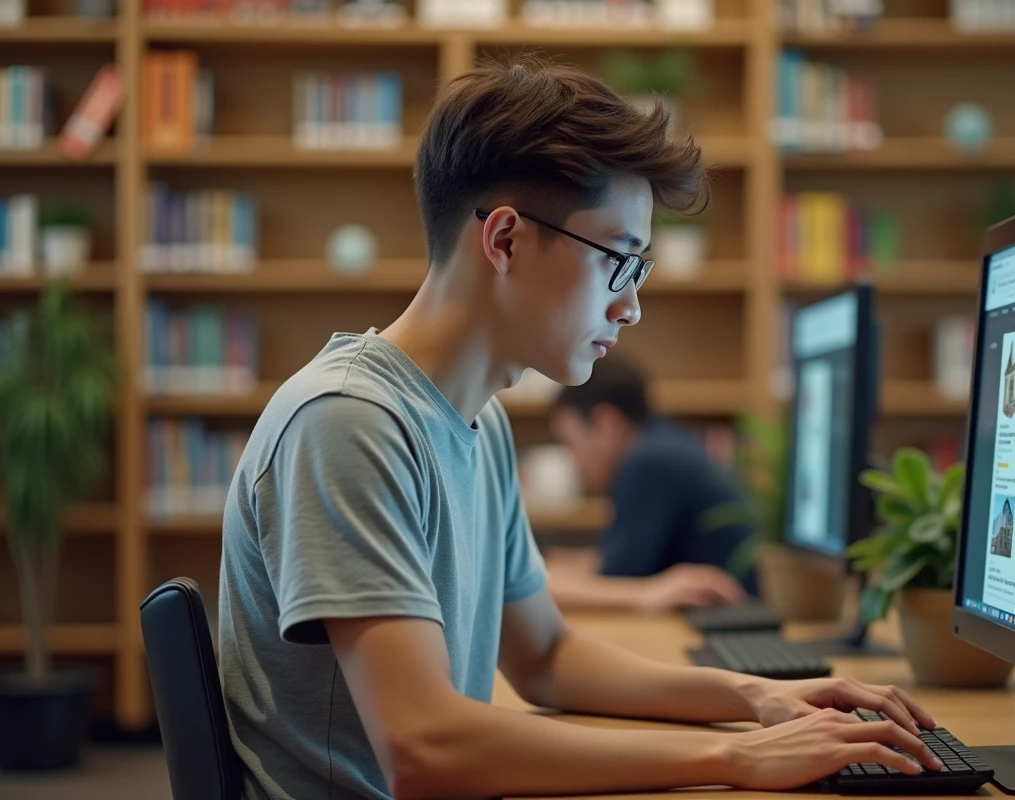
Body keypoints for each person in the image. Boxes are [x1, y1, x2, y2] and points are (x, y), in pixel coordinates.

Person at [218, 56, 945, 800]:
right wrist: (732, 760)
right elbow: (424, 747)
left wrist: (756, 698)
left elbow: (547, 657)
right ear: (504, 240)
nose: (630, 308)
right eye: (618, 263)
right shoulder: (349, 423)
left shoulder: (477, 423)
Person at [545, 355, 758, 611]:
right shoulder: (662, 444)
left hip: (733, 615)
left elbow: (617, 577)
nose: (574, 462)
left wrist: (538, 579)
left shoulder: (649, 463)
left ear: (606, 423)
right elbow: (615, 560)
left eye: (571, 443)